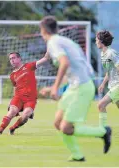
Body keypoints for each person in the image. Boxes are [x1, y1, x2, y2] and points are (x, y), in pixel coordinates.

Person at [39, 16, 112, 162]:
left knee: (66, 127)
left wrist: (55, 88)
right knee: (57, 123)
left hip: (82, 88)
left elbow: (64, 63)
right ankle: (77, 155)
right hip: (75, 86)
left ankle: (103, 132)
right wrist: (54, 87)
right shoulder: (65, 41)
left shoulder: (53, 42)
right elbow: (73, 68)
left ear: (44, 30)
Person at [0, 52, 49, 135]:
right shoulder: (12, 75)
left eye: (13, 58)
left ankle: (12, 128)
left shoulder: (29, 66)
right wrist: (13, 103)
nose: (12, 60)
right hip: (18, 98)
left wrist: (50, 49)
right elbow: (15, 88)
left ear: (19, 58)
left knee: (25, 116)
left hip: (31, 99)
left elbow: (45, 59)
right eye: (10, 59)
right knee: (12, 111)